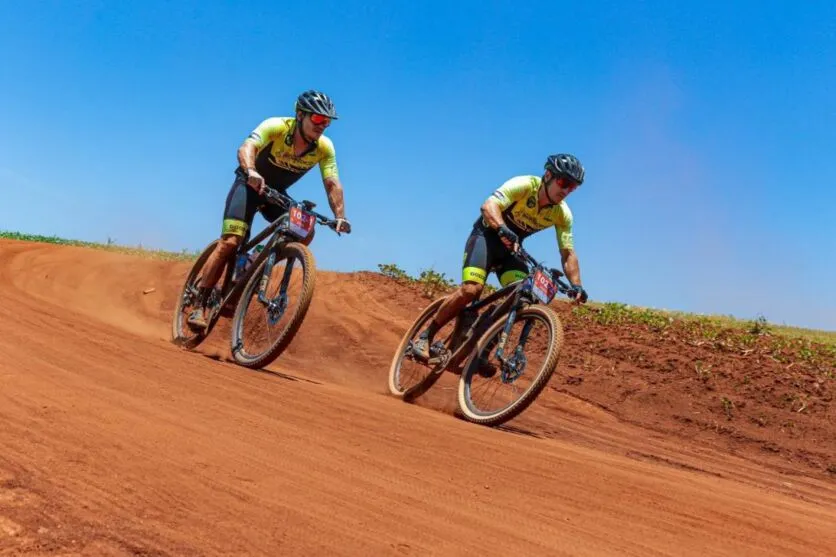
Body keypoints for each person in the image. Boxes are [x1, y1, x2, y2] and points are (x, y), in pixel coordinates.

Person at [188, 90, 351, 329]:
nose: (322, 125)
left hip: (276, 194)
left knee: (305, 232)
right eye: (317, 119)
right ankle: (199, 305)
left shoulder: (325, 147)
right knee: (231, 242)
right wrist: (251, 171)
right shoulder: (276, 126)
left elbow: (332, 182)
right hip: (249, 186)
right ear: (300, 115)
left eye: (326, 121)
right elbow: (247, 147)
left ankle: (253, 262)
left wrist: (340, 216)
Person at [412, 153, 589, 359]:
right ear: (548, 175)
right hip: (486, 238)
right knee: (471, 290)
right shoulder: (525, 184)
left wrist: (576, 285)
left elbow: (567, 252)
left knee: (522, 298)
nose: (567, 190)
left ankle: (480, 350)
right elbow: (489, 206)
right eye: (564, 182)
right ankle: (426, 335)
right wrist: (502, 228)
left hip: (511, 251)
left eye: (573, 187)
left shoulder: (563, 214)